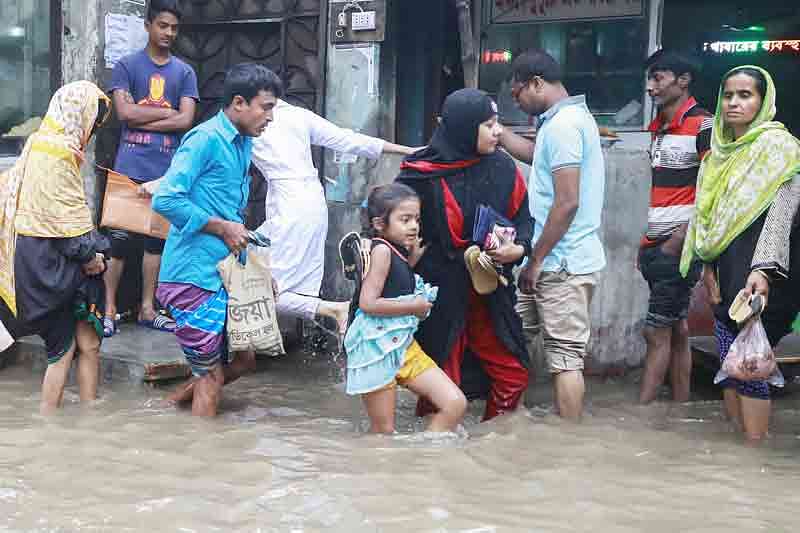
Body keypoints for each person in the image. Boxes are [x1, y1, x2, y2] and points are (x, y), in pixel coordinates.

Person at [151, 63, 281, 417]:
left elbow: (234, 219)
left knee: (245, 360)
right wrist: (221, 227)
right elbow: (165, 199)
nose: (270, 117)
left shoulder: (243, 144)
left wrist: (256, 272)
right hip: (192, 275)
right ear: (239, 103)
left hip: (224, 272)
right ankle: (200, 460)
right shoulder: (205, 139)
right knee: (209, 374)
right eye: (266, 107)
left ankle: (166, 408)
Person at [396, 88, 533, 421]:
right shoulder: (420, 174)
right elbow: (393, 230)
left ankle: (495, 442)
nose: (498, 131)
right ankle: (435, 455)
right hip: (441, 293)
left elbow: (523, 219)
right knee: (442, 376)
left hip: (491, 291)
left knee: (513, 372)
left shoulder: (502, 167)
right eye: (488, 125)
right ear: (463, 127)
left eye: (498, 122)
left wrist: (518, 249)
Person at [680, 66, 800, 443]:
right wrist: (708, 269)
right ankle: (735, 446)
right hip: (726, 268)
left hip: (766, 271)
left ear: (763, 101)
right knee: (729, 360)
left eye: (745, 95)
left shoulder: (780, 148)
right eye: (728, 95)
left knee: (753, 363)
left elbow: (783, 211)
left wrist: (763, 270)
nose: (734, 102)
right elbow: (709, 216)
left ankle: (752, 453)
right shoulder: (718, 153)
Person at [249, 99, 417, 333]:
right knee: (246, 270)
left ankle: (333, 309)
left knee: (260, 290)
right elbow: (348, 139)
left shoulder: (251, 119)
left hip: (292, 207)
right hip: (308, 201)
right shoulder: (296, 114)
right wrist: (407, 150)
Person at [0, 81, 112, 414]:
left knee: (89, 343)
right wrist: (92, 255)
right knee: (61, 351)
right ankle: (49, 421)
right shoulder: (57, 153)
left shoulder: (40, 144)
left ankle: (89, 416)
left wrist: (90, 252)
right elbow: (64, 224)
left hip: (48, 259)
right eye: (93, 121)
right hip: (52, 266)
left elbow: (64, 218)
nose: (92, 131)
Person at [508, 50, 606, 421]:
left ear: (536, 83)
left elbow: (567, 203)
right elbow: (538, 157)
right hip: (556, 258)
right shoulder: (564, 120)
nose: (517, 102)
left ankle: (569, 440)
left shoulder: (564, 125)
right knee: (515, 333)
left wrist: (535, 261)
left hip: (561, 262)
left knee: (565, 358)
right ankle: (516, 419)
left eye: (518, 94)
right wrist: (500, 135)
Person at [103, 0, 199, 337]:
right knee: (118, 240)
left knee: (155, 243)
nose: (168, 33)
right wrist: (168, 115)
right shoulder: (127, 66)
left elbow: (187, 120)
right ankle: (109, 309)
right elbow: (124, 114)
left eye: (173, 28)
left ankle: (147, 308)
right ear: (148, 25)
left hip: (166, 170)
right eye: (162, 26)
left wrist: (147, 114)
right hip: (128, 165)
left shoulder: (184, 72)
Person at [343, 184, 467, 433]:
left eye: (416, 220)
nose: (413, 226)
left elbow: (394, 283)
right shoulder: (381, 252)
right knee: (383, 433)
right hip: (375, 348)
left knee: (454, 403)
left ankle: (421, 459)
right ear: (380, 224)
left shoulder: (396, 252)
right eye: (405, 219)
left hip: (404, 346)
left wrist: (412, 260)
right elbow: (368, 303)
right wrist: (414, 305)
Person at [637, 50, 713, 404]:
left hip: (677, 247)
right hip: (657, 244)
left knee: (656, 333)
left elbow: (715, 189)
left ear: (683, 81)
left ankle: (642, 416)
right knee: (677, 330)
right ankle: (680, 410)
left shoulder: (704, 125)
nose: (651, 87)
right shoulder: (658, 127)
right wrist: (648, 242)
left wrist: (680, 238)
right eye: (650, 79)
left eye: (659, 78)